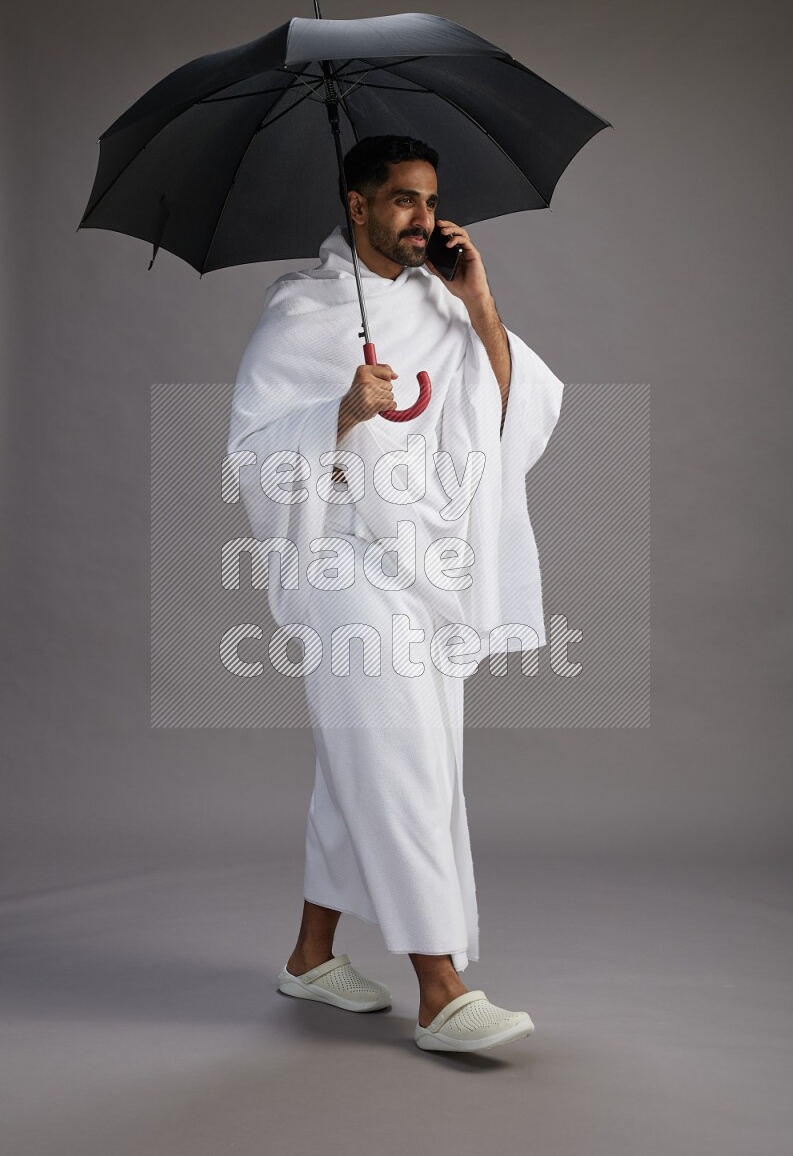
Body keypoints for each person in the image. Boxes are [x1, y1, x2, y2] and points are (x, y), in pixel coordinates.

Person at [226, 135, 563, 1052]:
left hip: (426, 565)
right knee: (399, 763)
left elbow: (511, 417)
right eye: (404, 201)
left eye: (430, 200)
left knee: (373, 766)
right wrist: (338, 409)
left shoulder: (442, 305)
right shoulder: (302, 311)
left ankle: (309, 958)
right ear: (358, 205)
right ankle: (441, 987)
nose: (423, 219)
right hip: (341, 565)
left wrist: (479, 300)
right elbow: (249, 456)